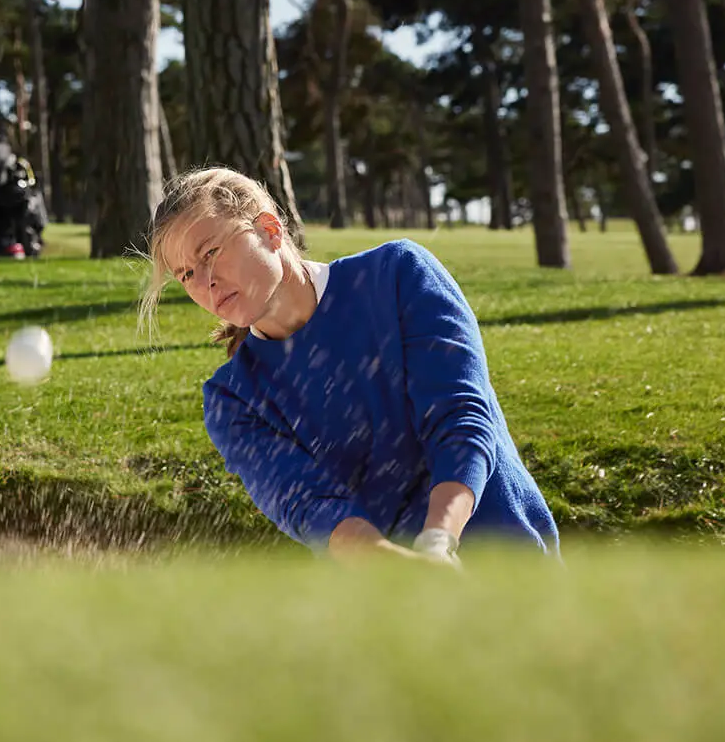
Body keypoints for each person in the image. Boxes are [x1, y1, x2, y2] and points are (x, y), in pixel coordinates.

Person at [140, 167, 559, 566]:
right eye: (187, 274)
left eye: (211, 252)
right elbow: (312, 507)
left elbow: (460, 419)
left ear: (269, 230)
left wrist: (438, 543)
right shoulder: (232, 400)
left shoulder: (397, 275)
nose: (205, 281)